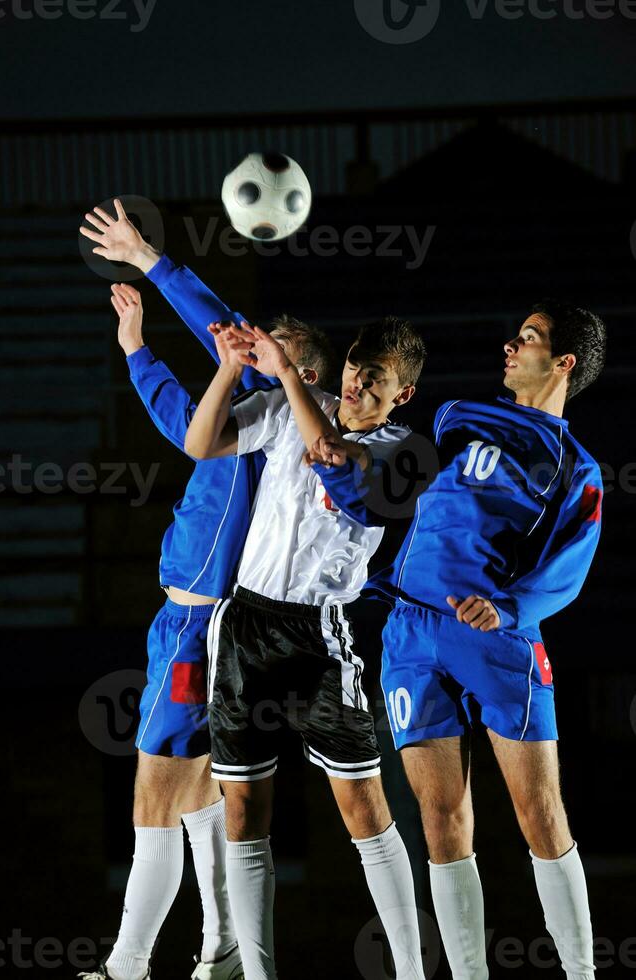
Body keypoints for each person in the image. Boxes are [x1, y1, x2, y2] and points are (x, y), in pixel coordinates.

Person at [311, 301, 607, 980]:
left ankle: (583, 973)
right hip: (411, 632)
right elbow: (393, 498)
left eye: (528, 337)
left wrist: (506, 609)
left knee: (540, 810)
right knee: (441, 822)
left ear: (562, 363)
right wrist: (338, 471)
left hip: (498, 640)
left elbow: (572, 563)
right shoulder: (457, 419)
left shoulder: (572, 464)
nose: (511, 343)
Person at [78, 203, 334, 980]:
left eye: (271, 349)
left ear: (305, 374)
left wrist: (152, 259)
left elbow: (220, 324)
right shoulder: (245, 417)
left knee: (152, 798)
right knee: (191, 798)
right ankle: (220, 945)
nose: (250, 348)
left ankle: (126, 966)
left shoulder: (282, 428)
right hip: (182, 622)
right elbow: (184, 418)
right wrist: (136, 351)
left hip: (202, 629)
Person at [184, 316, 428, 980]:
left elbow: (340, 471)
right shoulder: (299, 405)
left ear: (401, 394)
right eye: (353, 365)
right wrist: (231, 368)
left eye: (374, 377)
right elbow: (201, 442)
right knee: (243, 806)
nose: (356, 381)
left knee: (364, 806)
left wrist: (287, 373)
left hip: (326, 634)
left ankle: (411, 970)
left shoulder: (405, 448)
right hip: (247, 624)